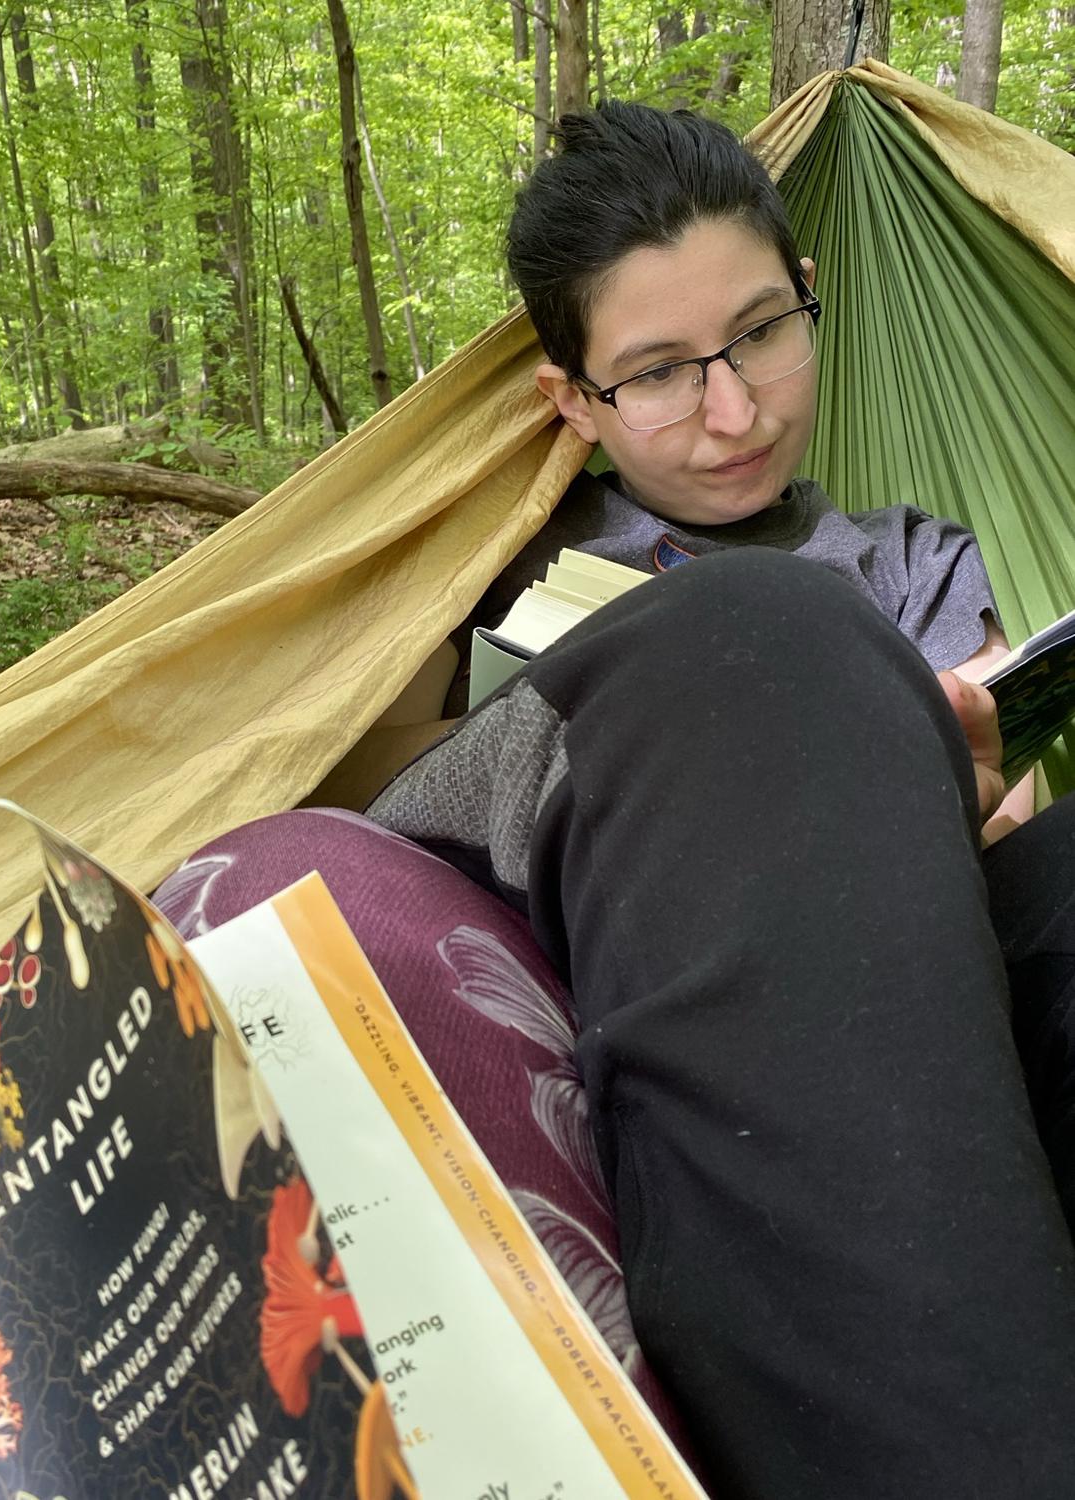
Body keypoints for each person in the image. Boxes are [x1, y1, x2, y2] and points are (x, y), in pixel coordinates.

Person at [366, 102, 1075, 1499]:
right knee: (767, 635)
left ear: (811, 299)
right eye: (661, 374)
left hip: (895, 1010)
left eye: (760, 333)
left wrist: (977, 776)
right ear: (572, 404)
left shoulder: (920, 564)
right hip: (573, 938)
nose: (735, 410)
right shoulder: (488, 580)